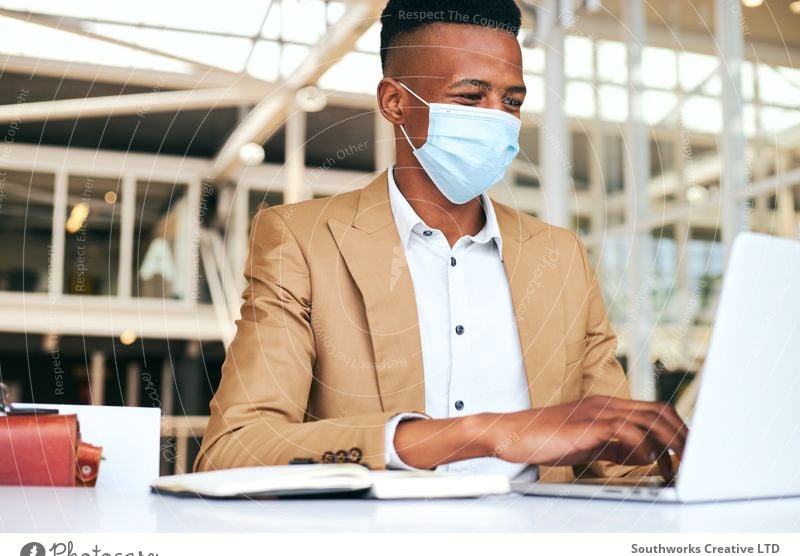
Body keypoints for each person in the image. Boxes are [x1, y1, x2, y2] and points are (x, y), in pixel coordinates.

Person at [194, 0, 687, 483]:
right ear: (395, 102)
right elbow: (233, 449)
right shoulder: (304, 241)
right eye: (471, 97)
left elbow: (620, 460)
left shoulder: (560, 257)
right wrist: (482, 432)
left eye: (512, 101)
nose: (498, 118)